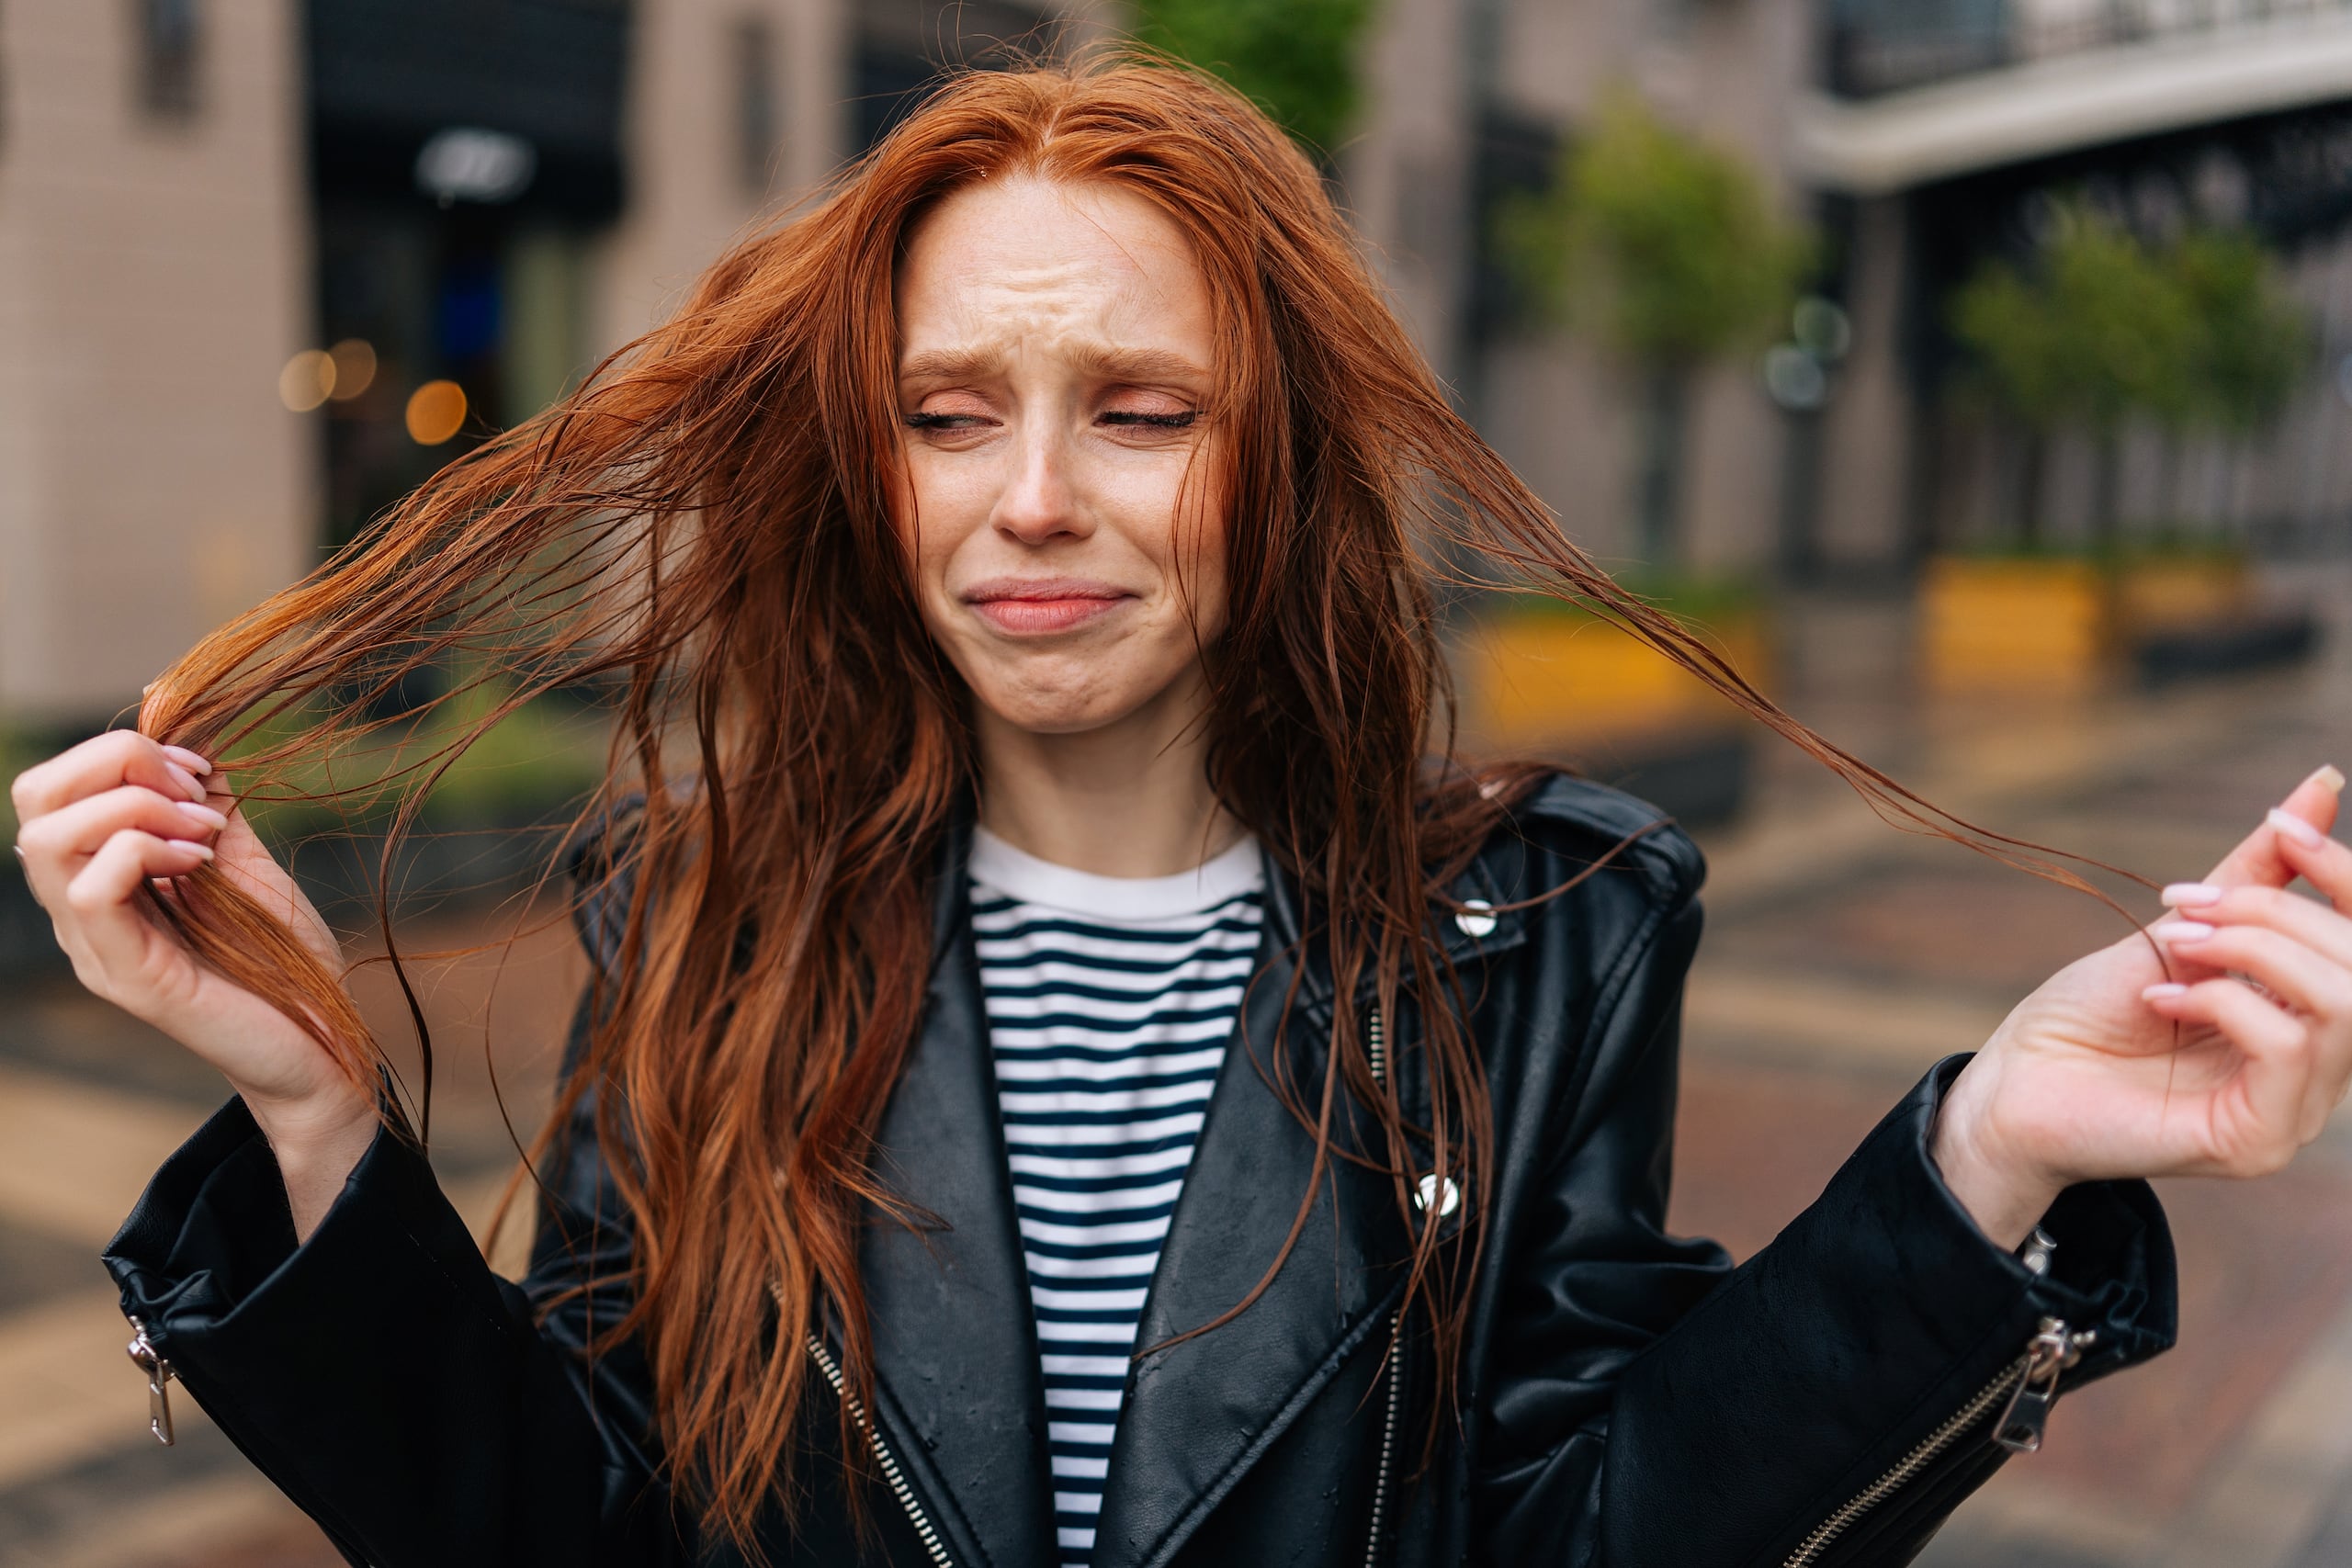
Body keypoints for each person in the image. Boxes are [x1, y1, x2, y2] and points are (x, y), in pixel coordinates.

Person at [11, 58, 2351, 1568]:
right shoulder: (699, 918)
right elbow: (574, 1526)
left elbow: (1592, 1530)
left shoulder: (1548, 928)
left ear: (1275, 458)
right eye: (947, 413)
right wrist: (319, 1120)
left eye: (1134, 407)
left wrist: (1988, 1165)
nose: (1030, 503)